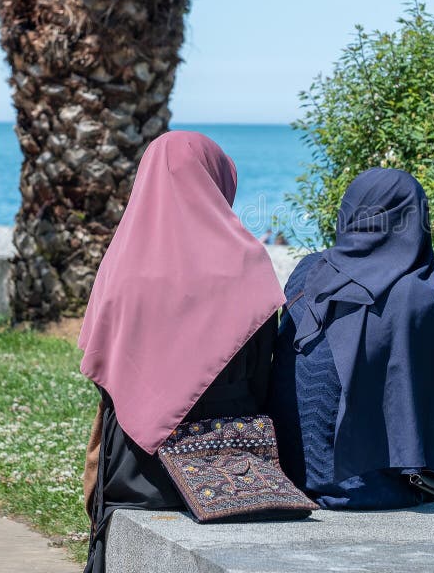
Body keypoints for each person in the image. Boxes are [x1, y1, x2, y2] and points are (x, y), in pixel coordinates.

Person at [78, 131, 285, 573]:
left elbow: (104, 375)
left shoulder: (121, 264)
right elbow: (264, 376)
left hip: (133, 474)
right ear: (216, 181)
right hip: (233, 467)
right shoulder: (248, 262)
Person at [268, 168, 434, 509]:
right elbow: (424, 417)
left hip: (285, 470)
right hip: (355, 488)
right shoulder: (410, 295)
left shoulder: (308, 270)